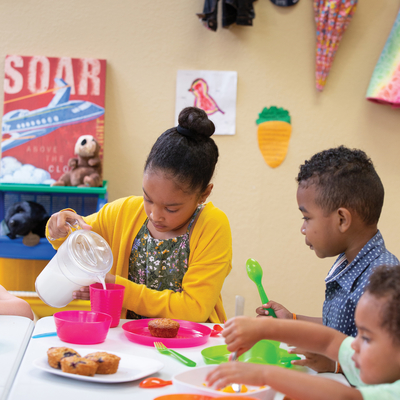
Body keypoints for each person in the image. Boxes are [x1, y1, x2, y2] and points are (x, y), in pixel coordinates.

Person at [46, 107, 232, 323]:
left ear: (203, 194)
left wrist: (119, 288)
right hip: (129, 343)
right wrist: (59, 228)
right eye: (148, 198)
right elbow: (76, 242)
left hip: (192, 347)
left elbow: (194, 309)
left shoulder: (212, 226)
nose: (154, 215)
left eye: (171, 208)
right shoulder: (124, 212)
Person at [256, 146, 398, 372]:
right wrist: (292, 319)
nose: (303, 229)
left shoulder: (383, 285)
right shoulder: (350, 263)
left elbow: (388, 366)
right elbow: (342, 330)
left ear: (342, 219)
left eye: (306, 218)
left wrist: (336, 365)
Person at [207, 264, 400, 400]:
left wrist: (264, 375)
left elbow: (346, 397)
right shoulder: (378, 361)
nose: (354, 343)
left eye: (366, 337)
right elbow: (329, 341)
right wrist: (263, 329)